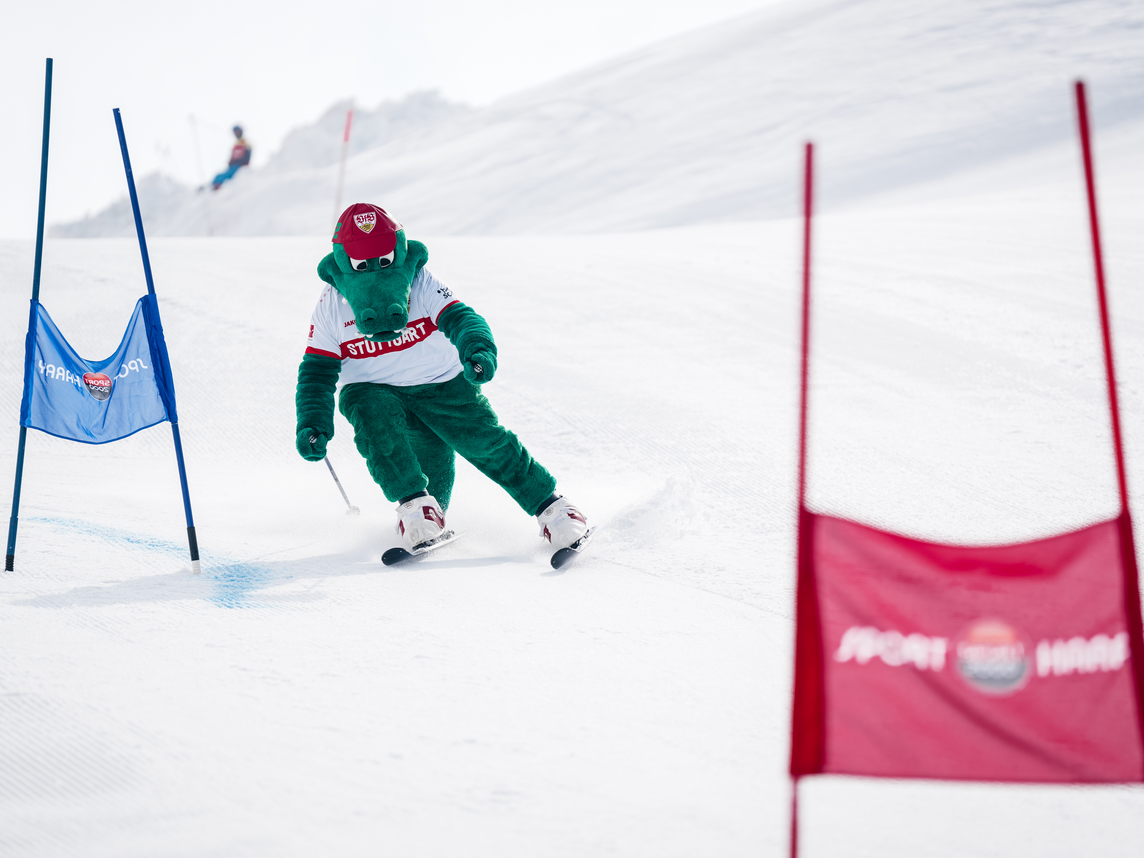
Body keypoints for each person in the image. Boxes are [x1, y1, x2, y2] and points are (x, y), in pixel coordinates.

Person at [294, 203, 589, 554]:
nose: (375, 270)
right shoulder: (331, 304)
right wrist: (312, 421)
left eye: (384, 260)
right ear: (342, 265)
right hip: (372, 387)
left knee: (483, 442)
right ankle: (415, 508)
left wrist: (476, 349)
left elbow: (462, 318)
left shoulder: (420, 282)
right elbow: (317, 371)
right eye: (361, 263)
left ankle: (552, 508)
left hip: (441, 383)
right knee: (376, 425)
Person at [210, 126, 252, 190]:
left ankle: (216, 188)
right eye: (235, 132)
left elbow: (247, 157)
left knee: (223, 176)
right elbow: (232, 157)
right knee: (218, 175)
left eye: (237, 132)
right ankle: (211, 187)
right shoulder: (235, 145)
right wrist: (230, 162)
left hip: (240, 166)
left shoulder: (246, 143)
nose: (236, 134)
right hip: (232, 166)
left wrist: (238, 161)